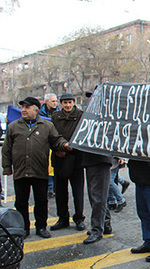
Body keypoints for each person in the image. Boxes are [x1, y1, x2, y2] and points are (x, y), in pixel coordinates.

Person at [2, 97, 71, 239]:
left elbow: (56, 139)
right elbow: (6, 148)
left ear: (36, 110)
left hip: (39, 170)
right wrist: (7, 167)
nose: (23, 110)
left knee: (41, 201)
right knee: (21, 202)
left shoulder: (46, 126)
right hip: (21, 171)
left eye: (27, 107)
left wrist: (64, 145)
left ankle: (41, 227)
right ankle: (24, 228)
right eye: (22, 107)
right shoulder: (14, 126)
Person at [50, 93, 86, 232]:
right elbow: (51, 136)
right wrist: (58, 149)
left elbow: (82, 136)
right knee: (60, 191)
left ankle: (79, 218)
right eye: (65, 103)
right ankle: (63, 218)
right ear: (61, 104)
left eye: (70, 102)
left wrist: (69, 150)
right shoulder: (55, 117)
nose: (68, 105)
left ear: (74, 102)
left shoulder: (81, 116)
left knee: (78, 192)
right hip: (59, 158)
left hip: (76, 159)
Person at [81, 90, 113, 244]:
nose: (91, 100)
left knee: (98, 197)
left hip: (100, 159)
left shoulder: (106, 115)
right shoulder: (89, 114)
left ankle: (97, 229)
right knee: (97, 196)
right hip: (90, 159)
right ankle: (105, 224)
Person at [38, 93, 59, 198]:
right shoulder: (40, 113)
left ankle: (54, 187)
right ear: (47, 102)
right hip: (44, 142)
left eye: (56, 101)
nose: (55, 103)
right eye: (53, 101)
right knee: (46, 166)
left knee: (54, 166)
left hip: (55, 142)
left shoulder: (59, 113)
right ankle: (48, 188)